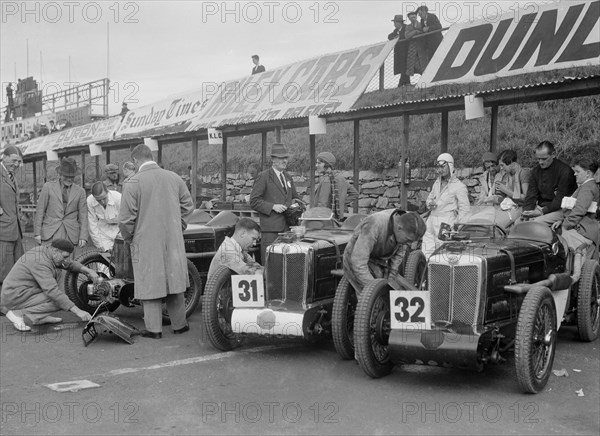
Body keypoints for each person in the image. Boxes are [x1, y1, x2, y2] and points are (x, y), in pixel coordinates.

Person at [118, 144, 194, 339]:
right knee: (174, 280)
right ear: (151, 156)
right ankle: (180, 325)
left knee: (149, 282)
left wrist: (130, 237)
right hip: (173, 240)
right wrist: (179, 226)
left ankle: (154, 330)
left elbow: (126, 219)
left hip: (145, 241)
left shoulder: (133, 182)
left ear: (135, 161)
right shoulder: (174, 177)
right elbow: (188, 205)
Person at [0, 239, 95, 332]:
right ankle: (17, 313)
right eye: (65, 257)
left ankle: (37, 318)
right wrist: (78, 311)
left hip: (25, 290)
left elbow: (68, 264)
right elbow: (52, 291)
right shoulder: (40, 261)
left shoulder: (48, 252)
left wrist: (88, 270)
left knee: (61, 299)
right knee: (58, 300)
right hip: (15, 295)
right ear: (55, 251)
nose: (66, 260)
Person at [343, 209, 426, 293]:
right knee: (370, 295)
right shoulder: (374, 224)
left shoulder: (407, 222)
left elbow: (398, 255)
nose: (409, 244)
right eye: (408, 240)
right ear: (399, 228)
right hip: (356, 258)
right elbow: (358, 263)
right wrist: (374, 290)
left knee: (392, 287)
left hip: (377, 259)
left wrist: (391, 275)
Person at [250, 143, 301, 260]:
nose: (284, 161)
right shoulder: (263, 177)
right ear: (273, 159)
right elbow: (253, 201)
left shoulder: (288, 177)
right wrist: (273, 206)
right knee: (271, 264)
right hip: (271, 231)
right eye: (280, 158)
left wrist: (296, 206)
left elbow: (296, 198)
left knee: (288, 263)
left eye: (286, 158)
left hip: (288, 230)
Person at [551, 159, 599, 283]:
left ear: (588, 173)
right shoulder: (587, 186)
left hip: (584, 230)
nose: (574, 174)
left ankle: (567, 276)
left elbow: (579, 210)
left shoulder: (588, 188)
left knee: (559, 242)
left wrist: (565, 226)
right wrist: (562, 221)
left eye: (577, 171)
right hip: (582, 226)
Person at [422, 153, 471, 259]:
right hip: (431, 221)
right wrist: (430, 203)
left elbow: (465, 209)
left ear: (450, 166)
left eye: (443, 166)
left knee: (442, 255)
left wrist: (456, 226)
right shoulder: (436, 183)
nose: (440, 170)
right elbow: (429, 199)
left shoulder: (459, 186)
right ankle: (427, 274)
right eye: (438, 167)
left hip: (446, 223)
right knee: (426, 252)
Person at [34, 157, 88, 249]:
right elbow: (40, 211)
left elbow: (83, 215)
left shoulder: (80, 191)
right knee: (48, 261)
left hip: (70, 234)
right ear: (59, 174)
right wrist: (37, 233)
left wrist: (83, 236)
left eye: (71, 177)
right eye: (66, 176)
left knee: (66, 261)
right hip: (50, 233)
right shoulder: (48, 187)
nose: (69, 179)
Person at [521, 141, 577, 225]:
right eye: (538, 159)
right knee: (520, 222)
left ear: (553, 154)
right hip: (541, 207)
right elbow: (531, 195)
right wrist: (527, 211)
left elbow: (560, 199)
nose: (540, 162)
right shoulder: (536, 170)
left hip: (561, 209)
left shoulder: (565, 171)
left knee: (535, 223)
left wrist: (542, 211)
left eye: (544, 159)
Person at [1, 146, 24, 287]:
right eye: (14, 161)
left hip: (16, 231)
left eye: (19, 162)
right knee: (3, 271)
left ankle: (12, 301)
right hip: (3, 231)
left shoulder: (12, 176)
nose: (16, 165)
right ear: (4, 157)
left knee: (17, 269)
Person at [313, 151, 359, 221]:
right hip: (338, 217)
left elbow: (322, 204)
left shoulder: (326, 180)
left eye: (319, 163)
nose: (316, 165)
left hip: (327, 219)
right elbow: (355, 194)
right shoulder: (341, 178)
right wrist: (341, 202)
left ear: (327, 164)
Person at [87, 181, 121, 252]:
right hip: (103, 232)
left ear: (107, 192)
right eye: (99, 200)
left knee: (120, 258)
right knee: (103, 260)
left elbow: (126, 220)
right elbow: (92, 224)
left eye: (104, 198)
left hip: (119, 231)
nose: (102, 202)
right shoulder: (90, 201)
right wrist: (99, 244)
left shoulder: (118, 198)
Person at [388, 15, 411, 86]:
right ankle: (406, 82)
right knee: (402, 66)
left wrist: (399, 37)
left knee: (405, 66)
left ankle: (402, 83)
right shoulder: (396, 30)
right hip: (399, 51)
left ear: (399, 22)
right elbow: (389, 36)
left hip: (406, 50)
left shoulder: (406, 27)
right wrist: (395, 37)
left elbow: (407, 35)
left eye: (395, 22)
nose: (394, 24)